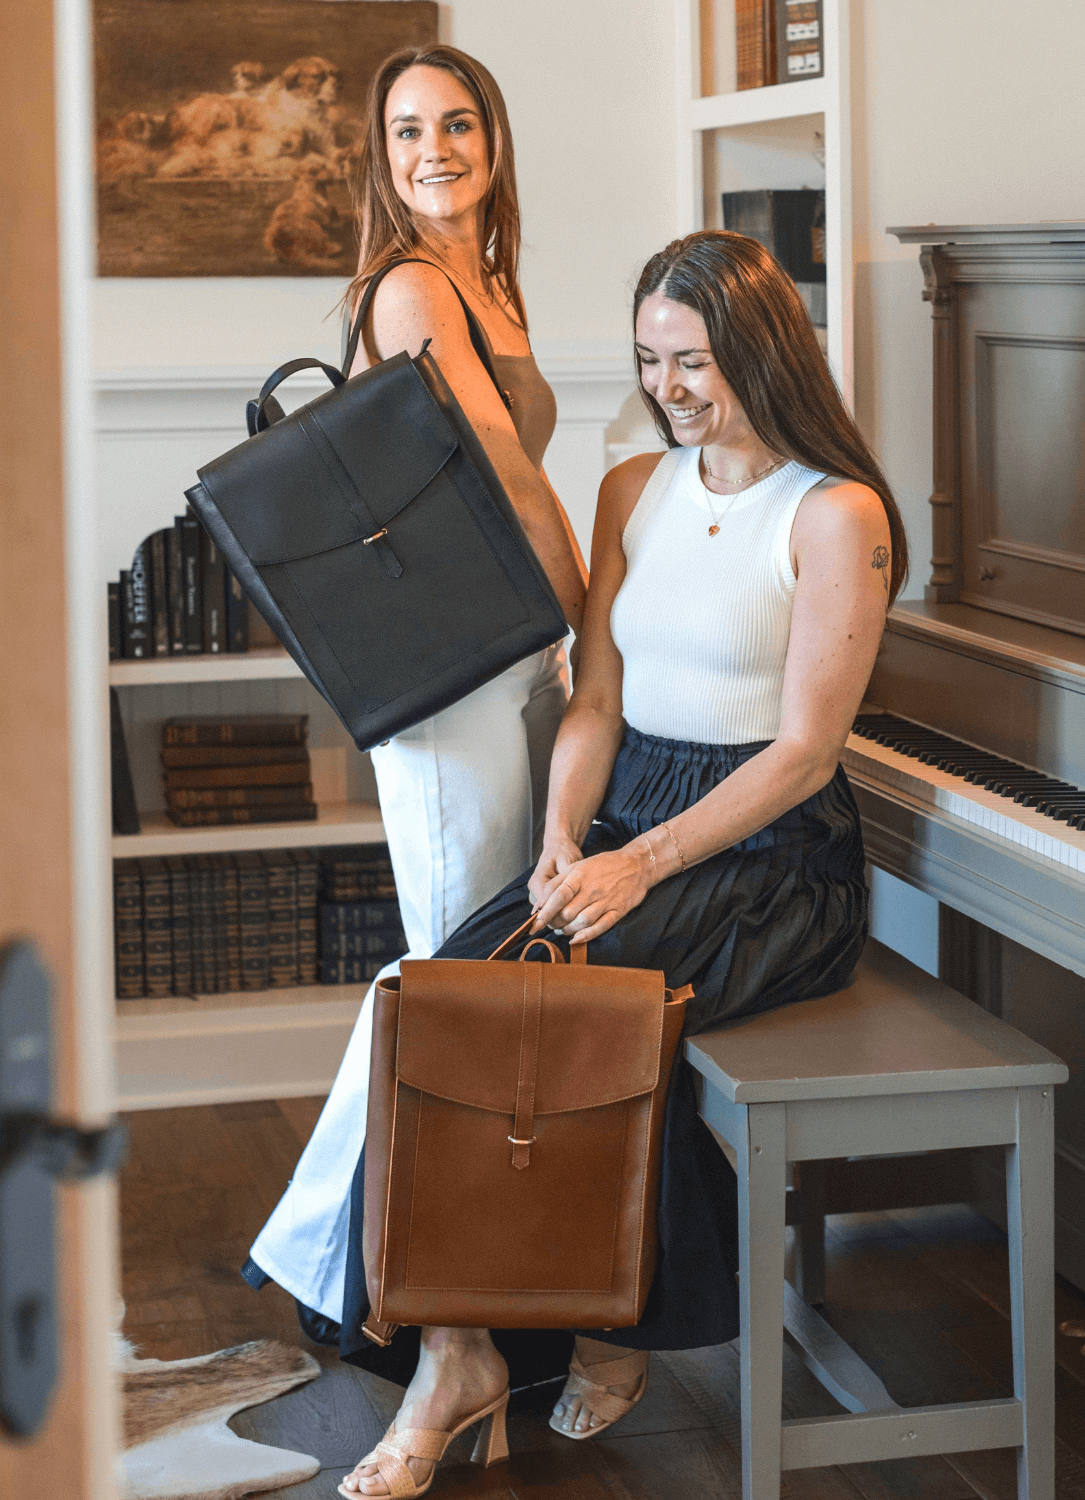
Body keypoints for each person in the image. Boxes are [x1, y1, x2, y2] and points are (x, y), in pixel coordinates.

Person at [334, 228, 909, 1498]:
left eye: (694, 361)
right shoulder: (631, 488)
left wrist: (634, 866)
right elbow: (597, 698)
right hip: (632, 810)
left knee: (545, 1004)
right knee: (443, 989)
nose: (670, 388)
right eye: (651, 361)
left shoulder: (834, 512)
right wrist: (559, 837)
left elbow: (809, 752)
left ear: (764, 349)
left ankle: (579, 1325)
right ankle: (465, 1343)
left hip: (771, 857)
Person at [242, 44, 588, 1344]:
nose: (432, 148)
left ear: (492, 139)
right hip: (455, 672)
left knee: (481, 958)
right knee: (453, 965)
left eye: (455, 123)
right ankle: (363, 1276)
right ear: (380, 161)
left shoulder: (487, 284)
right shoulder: (412, 293)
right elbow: (500, 472)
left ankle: (427, 1277)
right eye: (405, 133)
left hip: (506, 648)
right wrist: (593, 620)